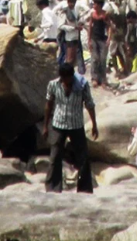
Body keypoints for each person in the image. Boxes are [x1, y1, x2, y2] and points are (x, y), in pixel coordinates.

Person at [43, 64, 98, 193]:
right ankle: (53, 188)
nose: (67, 82)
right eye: (65, 79)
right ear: (61, 77)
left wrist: (94, 124)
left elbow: (89, 104)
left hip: (76, 125)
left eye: (69, 79)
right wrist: (45, 126)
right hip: (59, 124)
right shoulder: (53, 85)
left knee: (83, 158)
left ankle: (84, 189)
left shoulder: (82, 85)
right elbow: (48, 104)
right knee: (55, 157)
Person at [86, 0, 112, 87]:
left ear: (99, 5)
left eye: (95, 4)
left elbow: (109, 27)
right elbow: (90, 27)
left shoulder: (105, 15)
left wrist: (109, 38)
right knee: (94, 59)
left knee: (103, 59)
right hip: (94, 38)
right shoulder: (92, 14)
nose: (94, 5)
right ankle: (95, 78)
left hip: (102, 39)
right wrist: (88, 40)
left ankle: (103, 79)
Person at [55, 0, 84, 72]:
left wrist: (80, 24)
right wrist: (73, 28)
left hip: (76, 36)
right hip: (69, 38)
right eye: (70, 2)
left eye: (73, 2)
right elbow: (60, 26)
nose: (72, 4)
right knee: (69, 58)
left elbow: (78, 20)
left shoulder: (76, 11)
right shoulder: (64, 12)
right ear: (67, 2)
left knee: (74, 59)